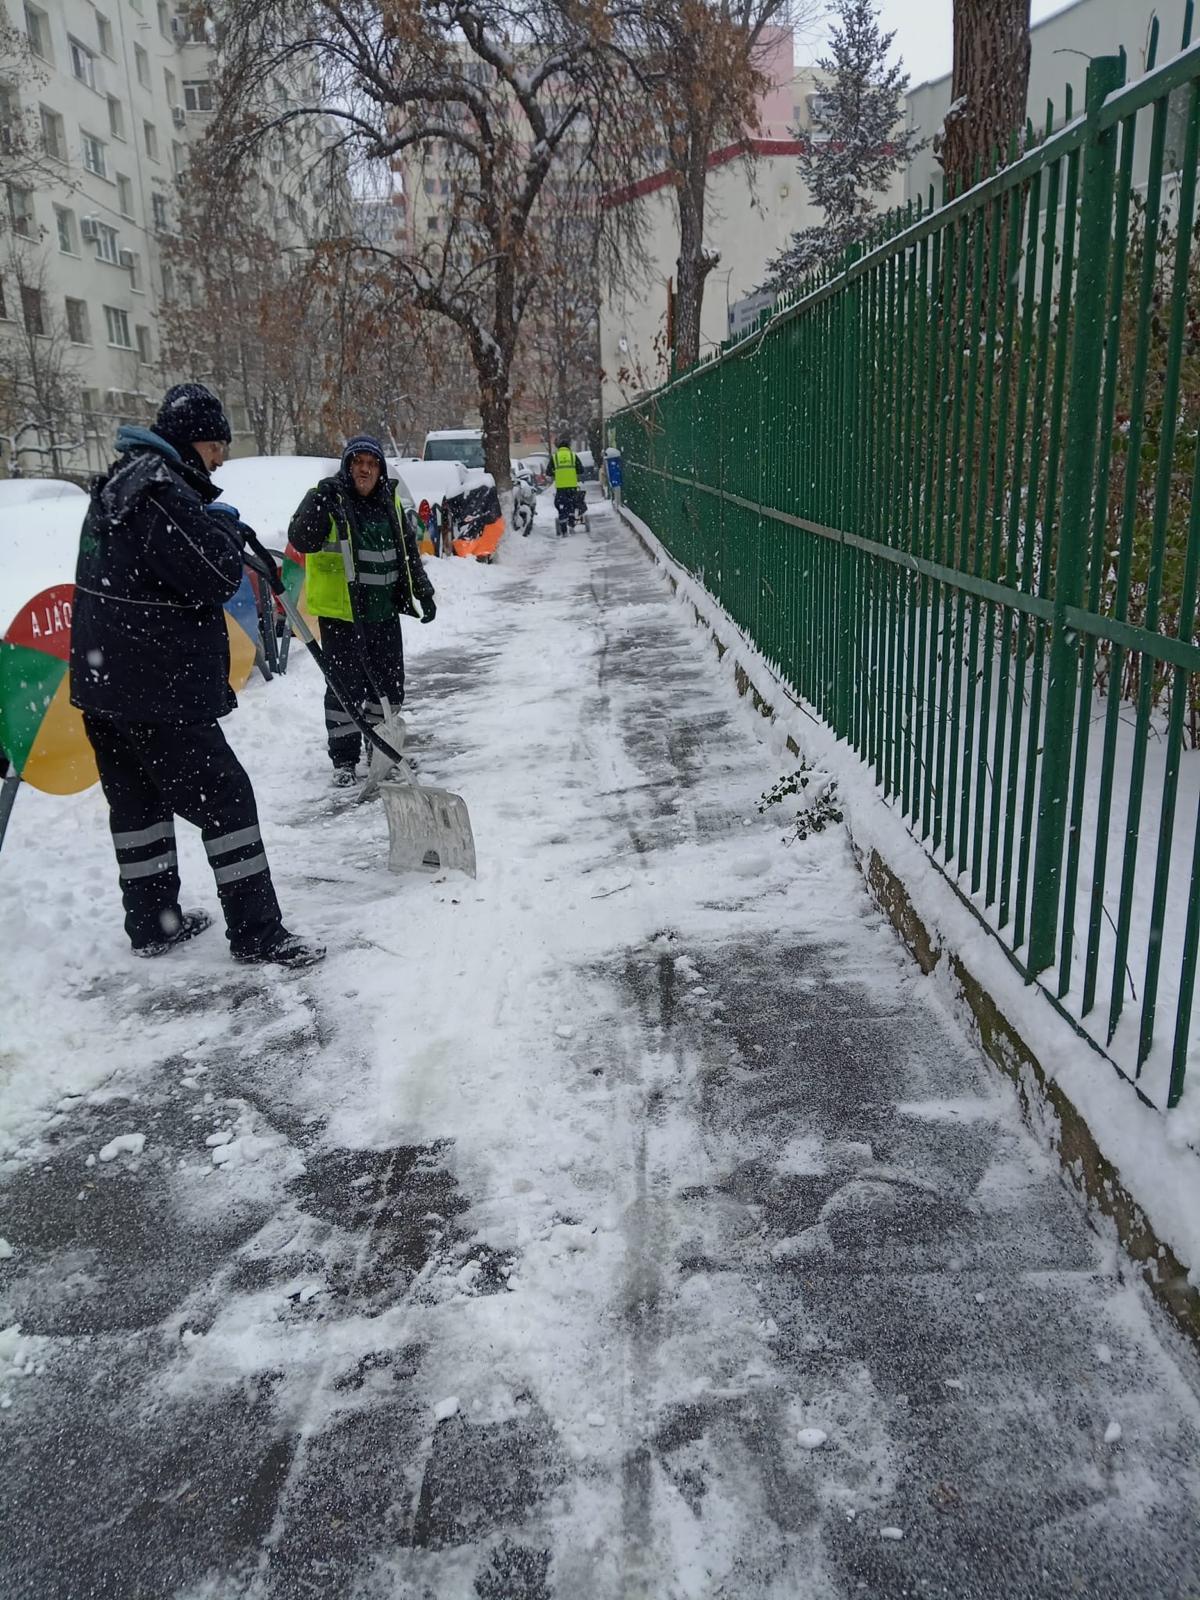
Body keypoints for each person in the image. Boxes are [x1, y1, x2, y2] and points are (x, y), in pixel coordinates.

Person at [70, 383, 324, 967]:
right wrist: (220, 532)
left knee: (138, 807)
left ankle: (154, 923)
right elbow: (213, 576)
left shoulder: (119, 482)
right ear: (197, 441)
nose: (221, 461)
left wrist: (206, 521)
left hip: (105, 686)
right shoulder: (160, 492)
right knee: (227, 801)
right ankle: (258, 933)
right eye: (217, 448)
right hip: (154, 688)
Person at [288, 435, 436, 784]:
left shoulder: (390, 501)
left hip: (382, 612)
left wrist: (423, 591)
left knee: (388, 686)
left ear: (380, 469)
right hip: (342, 614)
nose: (365, 470)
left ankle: (380, 749)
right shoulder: (330, 499)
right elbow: (301, 539)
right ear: (348, 466)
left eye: (372, 464)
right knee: (345, 689)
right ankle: (343, 761)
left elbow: (406, 552)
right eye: (359, 463)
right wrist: (316, 503)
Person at [552, 437, 586, 537]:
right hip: (572, 486)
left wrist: (556, 472)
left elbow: (548, 472)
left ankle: (564, 531)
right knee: (572, 505)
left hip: (561, 487)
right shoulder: (573, 456)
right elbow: (581, 470)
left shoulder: (555, 457)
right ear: (568, 446)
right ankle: (571, 524)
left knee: (562, 506)